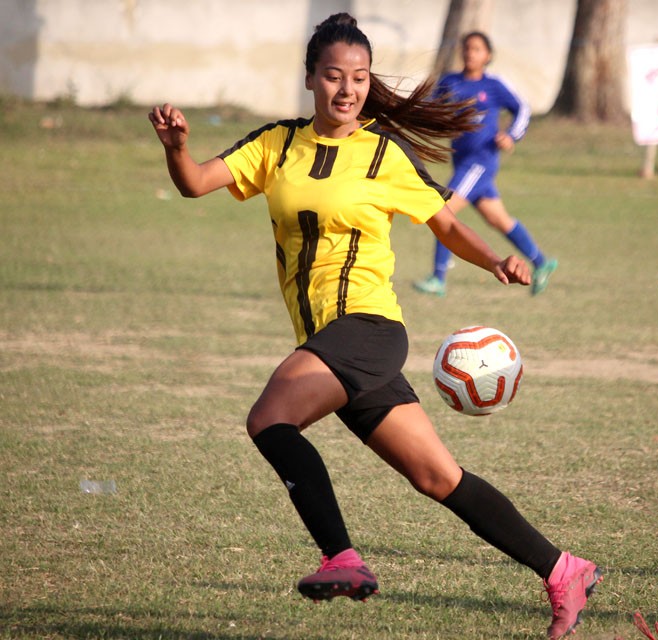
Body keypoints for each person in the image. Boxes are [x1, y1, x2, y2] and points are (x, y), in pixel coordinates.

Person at [147, 13, 599, 639]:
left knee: (269, 420)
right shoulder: (277, 143)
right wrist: (176, 147)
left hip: (368, 330)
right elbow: (196, 183)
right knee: (439, 477)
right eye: (334, 76)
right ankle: (564, 569)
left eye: (359, 77)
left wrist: (495, 259)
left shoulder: (385, 154)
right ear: (311, 79)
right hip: (330, 342)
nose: (348, 89)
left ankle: (341, 558)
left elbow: (445, 224)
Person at [413, 31, 558, 297]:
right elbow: (429, 109)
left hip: (481, 161)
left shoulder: (494, 85)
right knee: (499, 219)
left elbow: (522, 109)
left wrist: (511, 134)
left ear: (488, 56)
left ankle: (438, 277)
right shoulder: (450, 83)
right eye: (467, 48)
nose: (471, 53)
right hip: (462, 163)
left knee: (442, 210)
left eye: (477, 49)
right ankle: (541, 262)